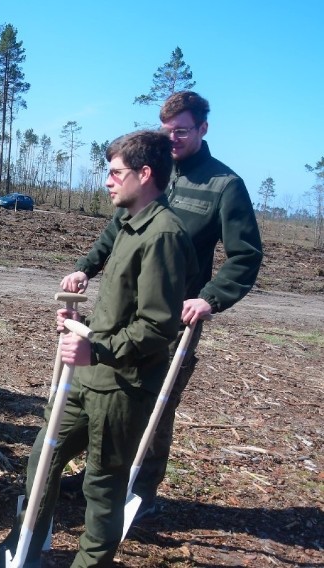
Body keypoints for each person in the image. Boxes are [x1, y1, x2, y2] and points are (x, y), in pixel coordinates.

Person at [0, 130, 198, 567]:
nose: (107, 182)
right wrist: (80, 326)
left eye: (116, 173)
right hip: (90, 377)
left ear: (145, 174)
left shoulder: (162, 235)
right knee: (42, 458)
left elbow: (157, 326)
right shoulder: (129, 225)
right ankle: (22, 552)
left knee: (103, 487)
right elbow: (121, 314)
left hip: (124, 386)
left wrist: (98, 351)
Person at [59, 91, 263, 518]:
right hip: (121, 309)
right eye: (166, 130)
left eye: (181, 131)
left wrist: (209, 299)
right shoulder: (153, 172)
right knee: (109, 390)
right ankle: (101, 476)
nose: (172, 139)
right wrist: (85, 268)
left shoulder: (223, 186)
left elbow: (245, 255)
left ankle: (141, 490)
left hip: (172, 318)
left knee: (155, 402)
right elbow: (117, 229)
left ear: (204, 129)